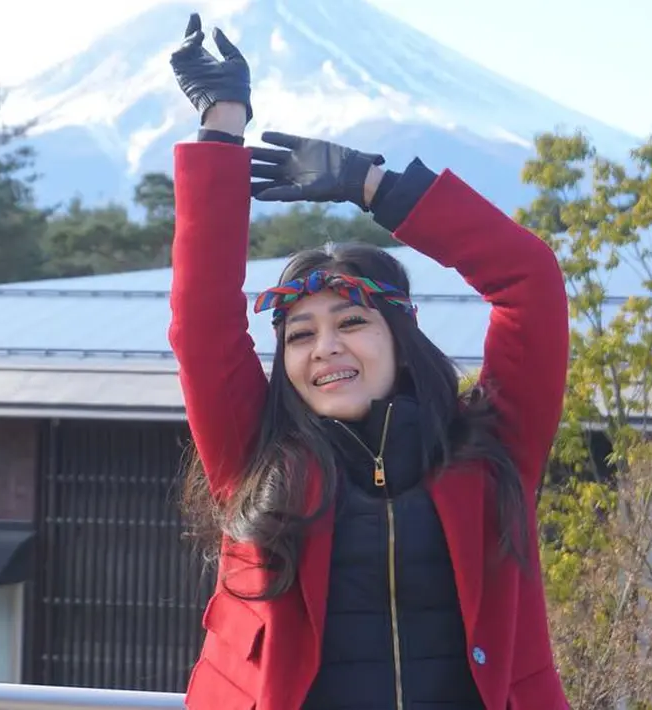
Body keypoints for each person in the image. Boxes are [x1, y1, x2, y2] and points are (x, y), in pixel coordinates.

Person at [168, 12, 571, 710]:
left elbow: (529, 282)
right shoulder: (253, 454)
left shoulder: (491, 449)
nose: (325, 347)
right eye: (299, 335)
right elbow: (202, 321)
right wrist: (221, 123)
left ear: (399, 337)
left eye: (351, 323)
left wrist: (372, 185)